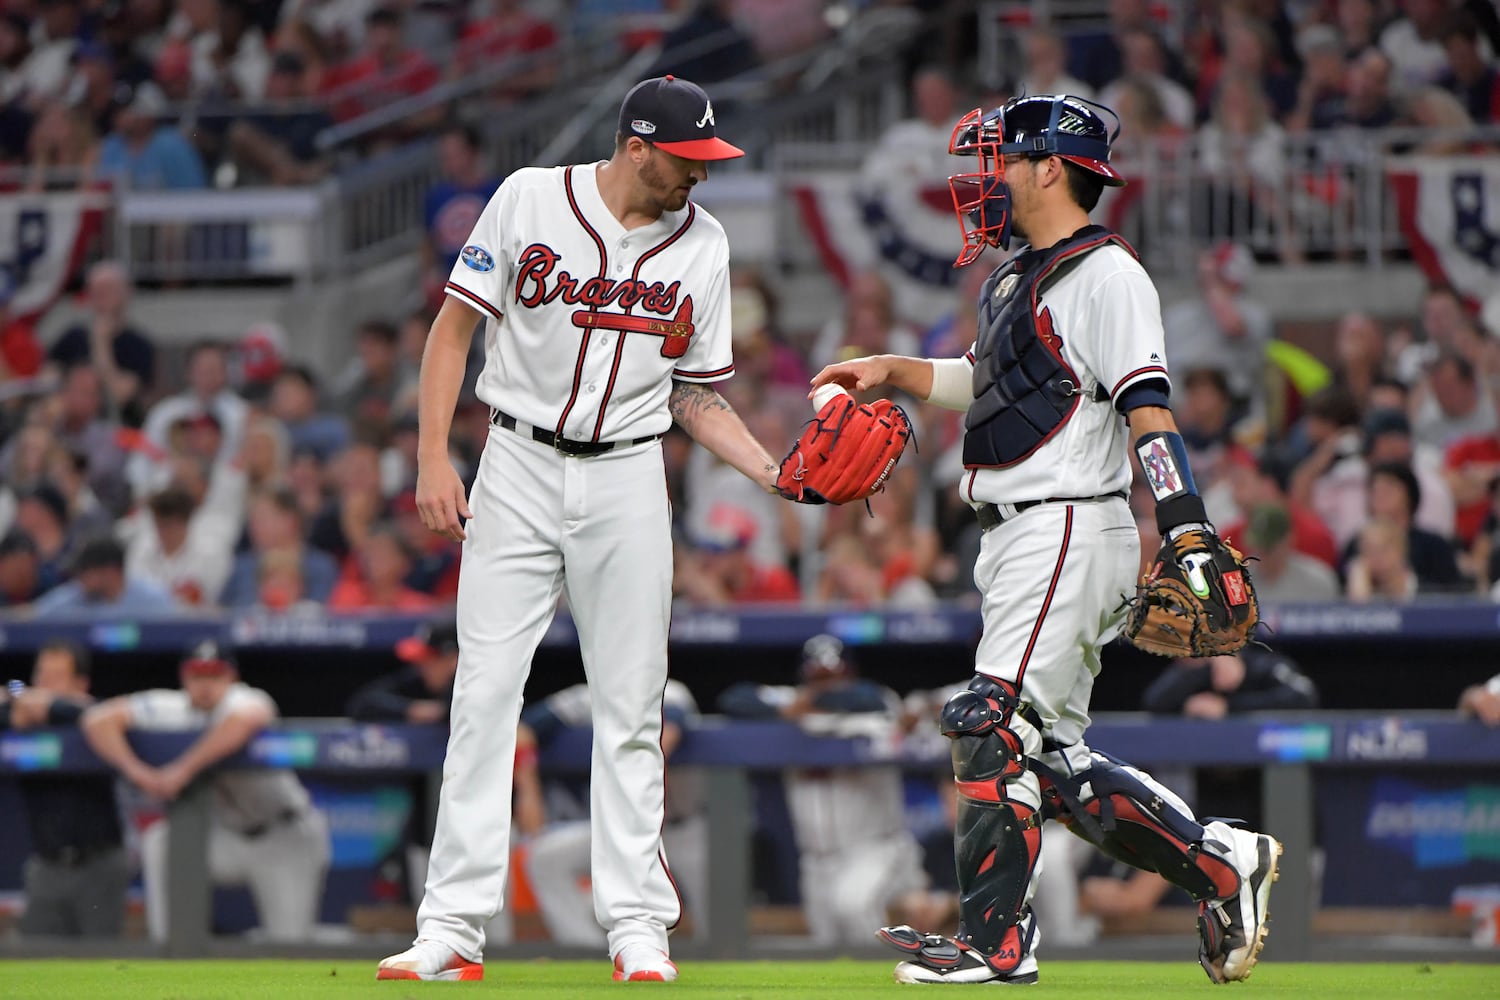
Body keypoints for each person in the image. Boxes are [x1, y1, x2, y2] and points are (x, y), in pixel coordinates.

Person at [810, 94, 1280, 985]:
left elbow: (1149, 408)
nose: (988, 179)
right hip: (1019, 533)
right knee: (1045, 762)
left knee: (987, 727)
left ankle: (997, 946)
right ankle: (1222, 864)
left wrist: (1186, 529)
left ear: (1049, 168)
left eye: (1004, 161)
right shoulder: (1014, 275)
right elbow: (995, 382)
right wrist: (894, 373)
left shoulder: (1109, 276)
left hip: (1066, 521)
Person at [377, 75, 790, 984]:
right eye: (688, 160)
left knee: (633, 706)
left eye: (708, 160)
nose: (700, 176)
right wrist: (433, 456)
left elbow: (695, 391)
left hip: (629, 473)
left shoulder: (705, 244)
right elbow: (452, 332)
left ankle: (638, 925)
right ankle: (451, 927)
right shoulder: (530, 197)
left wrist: (769, 469)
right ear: (637, 146)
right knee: (484, 695)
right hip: (516, 461)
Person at [80, 640, 330, 943]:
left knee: (290, 944)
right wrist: (140, 775)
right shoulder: (171, 706)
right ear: (184, 678)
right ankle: (169, 945)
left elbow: (243, 721)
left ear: (231, 677)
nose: (206, 685)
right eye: (197, 675)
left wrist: (181, 770)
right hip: (225, 838)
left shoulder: (245, 698)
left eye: (215, 675)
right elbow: (97, 719)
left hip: (282, 834)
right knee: (161, 840)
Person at [718, 635, 929, 948]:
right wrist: (791, 708)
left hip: (874, 849)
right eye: (818, 678)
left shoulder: (876, 704)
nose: (827, 686)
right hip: (816, 861)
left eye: (834, 677)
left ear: (850, 674)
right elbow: (734, 699)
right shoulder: (791, 704)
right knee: (826, 944)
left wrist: (811, 704)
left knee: (854, 909)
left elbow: (869, 698)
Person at [521, 679, 707, 947]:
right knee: (545, 859)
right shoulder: (587, 695)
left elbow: (668, 731)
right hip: (617, 826)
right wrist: (530, 792)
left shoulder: (668, 687)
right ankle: (586, 952)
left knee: (715, 915)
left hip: (682, 830)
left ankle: (722, 968)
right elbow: (524, 728)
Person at [1, 641, 128, 937]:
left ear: (80, 683)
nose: (45, 685)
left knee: (101, 963)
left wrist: (46, 705)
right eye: (41, 676)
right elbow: (14, 692)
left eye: (56, 677)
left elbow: (92, 711)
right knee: (37, 964)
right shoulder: (19, 705)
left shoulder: (99, 715)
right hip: (46, 865)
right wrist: (16, 703)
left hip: (100, 862)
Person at [1142, 648, 1319, 719]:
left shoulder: (1261, 664)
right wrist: (1199, 669)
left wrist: (1228, 707)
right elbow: (1153, 702)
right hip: (1206, 770)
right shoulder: (1194, 674)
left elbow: (1304, 694)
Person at [30, 535, 178, 617]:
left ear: (110, 572)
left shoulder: (151, 599)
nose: (79, 578)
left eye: (85, 571)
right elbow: (32, 614)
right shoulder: (76, 595)